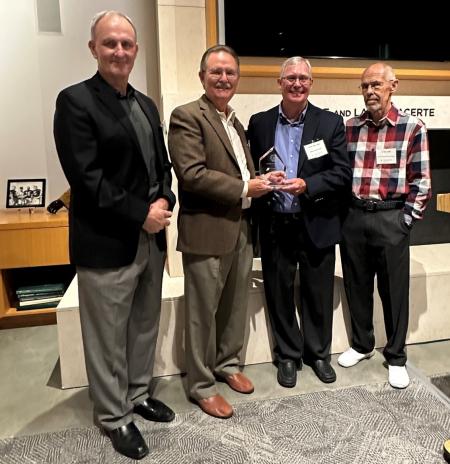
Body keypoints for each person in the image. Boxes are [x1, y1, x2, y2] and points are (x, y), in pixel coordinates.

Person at [53, 10, 176, 460]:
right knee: (106, 337)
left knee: (144, 325)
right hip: (107, 241)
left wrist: (164, 202)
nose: (119, 51)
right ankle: (113, 416)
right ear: (93, 49)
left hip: (151, 238)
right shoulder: (75, 102)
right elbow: (87, 179)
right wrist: (140, 213)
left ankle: (137, 393)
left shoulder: (146, 104)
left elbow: (162, 166)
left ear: (136, 50)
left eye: (126, 43)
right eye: (110, 44)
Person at [168, 45, 274, 419]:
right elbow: (192, 175)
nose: (224, 78)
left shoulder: (234, 121)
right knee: (202, 312)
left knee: (234, 306)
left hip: (241, 228)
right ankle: (200, 384)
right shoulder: (186, 116)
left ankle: (228, 363)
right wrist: (247, 188)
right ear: (202, 77)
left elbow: (239, 172)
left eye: (230, 73)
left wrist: (259, 181)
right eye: (216, 72)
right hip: (207, 231)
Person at [247, 56, 352, 388]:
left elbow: (341, 173)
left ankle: (318, 354)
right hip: (276, 222)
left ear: (311, 83)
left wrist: (308, 185)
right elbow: (250, 170)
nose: (296, 83)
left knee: (318, 290)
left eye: (303, 78)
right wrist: (263, 179)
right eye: (290, 77)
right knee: (278, 292)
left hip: (315, 219)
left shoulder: (330, 123)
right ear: (279, 83)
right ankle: (288, 356)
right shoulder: (259, 122)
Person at [337, 63, 431, 389]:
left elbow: (422, 182)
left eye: (376, 85)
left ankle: (396, 355)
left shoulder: (412, 128)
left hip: (392, 216)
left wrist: (405, 221)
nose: (370, 92)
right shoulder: (348, 127)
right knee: (357, 285)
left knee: (393, 291)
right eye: (365, 86)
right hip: (354, 216)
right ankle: (362, 345)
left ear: (393, 86)